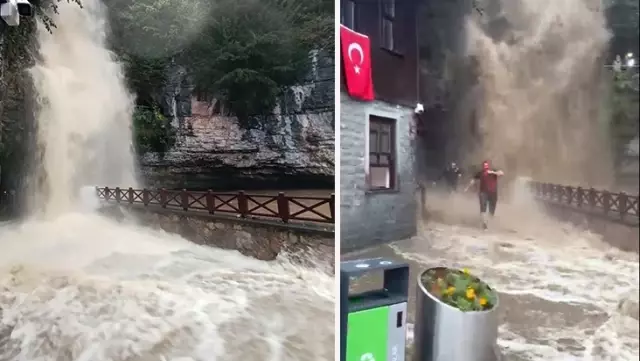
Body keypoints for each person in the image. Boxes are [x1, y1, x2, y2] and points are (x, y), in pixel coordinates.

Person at [464, 160, 504, 229]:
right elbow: (473, 180)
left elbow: (501, 173)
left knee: (492, 211)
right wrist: (467, 188)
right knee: (483, 209)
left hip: (493, 193)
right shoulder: (480, 173)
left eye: (486, 166)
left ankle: (489, 223)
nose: (485, 168)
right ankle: (484, 224)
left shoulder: (493, 171)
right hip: (483, 193)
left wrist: (492, 172)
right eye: (484, 166)